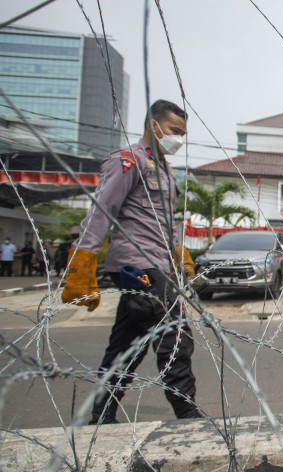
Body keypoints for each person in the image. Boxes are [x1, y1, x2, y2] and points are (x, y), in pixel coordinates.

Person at [62, 99, 199, 424]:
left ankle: (100, 414)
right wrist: (82, 261)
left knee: (128, 345)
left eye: (183, 133)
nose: (178, 139)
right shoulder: (128, 161)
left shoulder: (164, 169)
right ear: (154, 125)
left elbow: (167, 224)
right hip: (137, 266)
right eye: (173, 131)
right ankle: (187, 413)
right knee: (175, 337)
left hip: (157, 265)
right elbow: (102, 209)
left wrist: (181, 257)